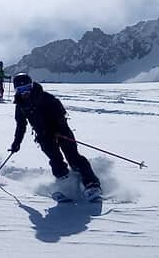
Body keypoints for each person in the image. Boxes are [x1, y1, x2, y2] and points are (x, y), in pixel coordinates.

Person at [9, 72, 102, 200]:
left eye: (27, 88)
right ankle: (66, 188)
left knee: (74, 158)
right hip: (44, 136)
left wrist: (58, 130)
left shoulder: (46, 98)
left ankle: (91, 184)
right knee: (56, 161)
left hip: (61, 132)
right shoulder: (20, 106)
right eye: (21, 90)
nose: (25, 92)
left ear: (31, 86)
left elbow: (60, 115)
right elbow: (21, 125)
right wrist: (16, 142)